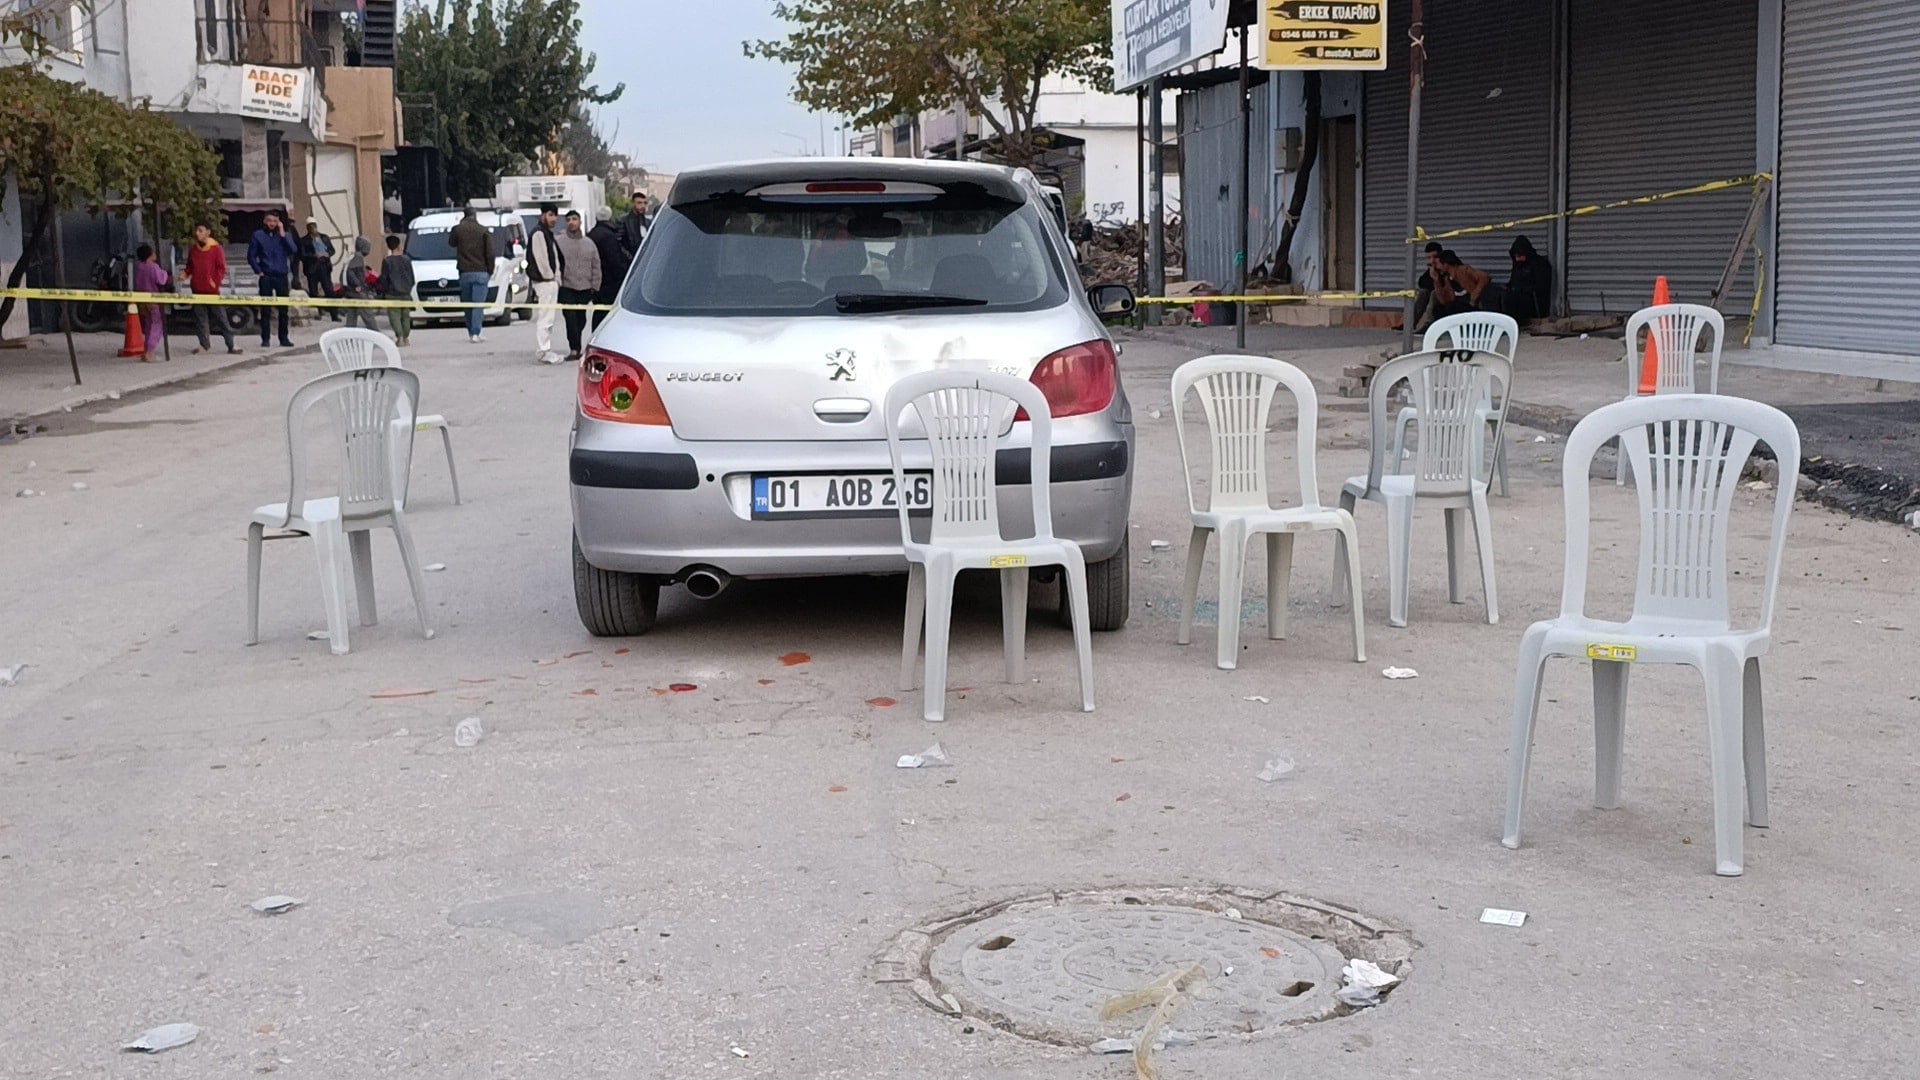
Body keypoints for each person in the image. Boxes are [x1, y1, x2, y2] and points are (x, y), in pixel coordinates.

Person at [184, 223, 241, 355]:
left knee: (222, 318)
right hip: (197, 289)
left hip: (212, 291)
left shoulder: (216, 249)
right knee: (200, 319)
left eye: (200, 230)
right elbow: (190, 267)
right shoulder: (193, 249)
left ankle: (231, 344)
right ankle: (204, 345)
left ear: (208, 232)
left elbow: (221, 268)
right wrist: (185, 274)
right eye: (196, 230)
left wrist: (215, 282)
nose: (197, 233)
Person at [555, 210, 603, 361]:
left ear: (580, 222)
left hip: (584, 287)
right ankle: (574, 349)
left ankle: (577, 343)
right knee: (570, 318)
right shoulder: (559, 242)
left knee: (580, 319)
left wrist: (595, 286)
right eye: (568, 219)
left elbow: (596, 265)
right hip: (566, 287)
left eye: (574, 219)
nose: (571, 222)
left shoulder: (589, 244)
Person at [247, 210, 299, 348]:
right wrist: (258, 270)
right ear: (265, 221)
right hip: (266, 276)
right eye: (269, 220)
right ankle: (265, 339)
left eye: (275, 221)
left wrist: (283, 234)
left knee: (283, 310)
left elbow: (293, 250)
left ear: (279, 222)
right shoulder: (257, 235)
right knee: (266, 309)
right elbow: (251, 256)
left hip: (281, 275)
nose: (272, 224)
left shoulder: (284, 235)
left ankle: (284, 338)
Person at [525, 202, 566, 364]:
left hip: (550, 281)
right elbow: (541, 259)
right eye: (550, 215)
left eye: (555, 215)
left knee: (548, 318)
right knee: (545, 318)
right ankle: (544, 350)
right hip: (545, 282)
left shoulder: (546, 233)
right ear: (543, 215)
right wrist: (550, 277)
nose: (554, 218)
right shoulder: (539, 234)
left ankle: (545, 348)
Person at [450, 206, 495, 343]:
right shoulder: (483, 230)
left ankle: (471, 331)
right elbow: (490, 253)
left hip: (465, 272)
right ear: (475, 215)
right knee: (478, 304)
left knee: (468, 304)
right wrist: (490, 270)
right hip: (481, 271)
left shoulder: (458, 229)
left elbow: (451, 243)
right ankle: (477, 332)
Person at [587, 204, 628, 330]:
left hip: (596, 281)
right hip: (610, 282)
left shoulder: (591, 235)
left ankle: (596, 333)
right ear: (610, 218)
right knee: (608, 313)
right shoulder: (609, 236)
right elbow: (614, 260)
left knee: (598, 312)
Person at [132, 243, 170, 363]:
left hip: (143, 299)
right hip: (153, 299)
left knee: (149, 325)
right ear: (150, 255)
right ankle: (150, 351)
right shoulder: (153, 267)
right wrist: (165, 273)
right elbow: (161, 280)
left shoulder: (140, 267)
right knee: (157, 324)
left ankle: (146, 350)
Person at [1502, 235, 1553, 322]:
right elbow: (1513, 281)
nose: (1517, 259)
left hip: (1533, 300)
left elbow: (1542, 287)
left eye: (1520, 256)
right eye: (1516, 256)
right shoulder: (1518, 265)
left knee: (1513, 299)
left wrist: (1521, 290)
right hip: (1517, 297)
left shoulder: (1540, 264)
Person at [299, 219, 341, 322]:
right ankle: (318, 312)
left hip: (324, 267)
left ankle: (334, 314)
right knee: (313, 292)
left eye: (314, 226)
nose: (313, 229)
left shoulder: (324, 238)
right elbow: (302, 255)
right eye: (310, 227)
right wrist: (314, 256)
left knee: (329, 291)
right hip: (312, 268)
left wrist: (327, 254)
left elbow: (332, 250)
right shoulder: (304, 241)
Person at [378, 234, 416, 347]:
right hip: (405, 293)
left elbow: (384, 279)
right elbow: (412, 277)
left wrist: (383, 290)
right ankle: (406, 337)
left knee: (394, 316)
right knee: (406, 316)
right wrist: (408, 287)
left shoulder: (387, 261)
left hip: (392, 294)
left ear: (388, 247)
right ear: (399, 245)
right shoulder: (407, 260)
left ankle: (399, 337)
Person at [340, 236, 382, 331]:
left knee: (352, 315)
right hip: (356, 292)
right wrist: (357, 284)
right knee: (368, 314)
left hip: (349, 290)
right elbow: (350, 271)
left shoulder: (352, 256)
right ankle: (376, 334)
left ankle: (349, 337)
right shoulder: (358, 257)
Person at [1412, 241, 1444, 328]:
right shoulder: (1433, 269)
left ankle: (1429, 324)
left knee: (1434, 293)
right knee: (1423, 292)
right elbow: (1422, 283)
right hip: (1440, 299)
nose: (1432, 261)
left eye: (1435, 257)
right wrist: (1432, 274)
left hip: (1452, 299)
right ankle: (1410, 323)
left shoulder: (1447, 266)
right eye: (1429, 258)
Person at [618, 190, 649, 259]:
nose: (643, 206)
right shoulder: (624, 220)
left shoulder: (647, 222)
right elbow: (618, 243)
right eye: (639, 203)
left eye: (645, 203)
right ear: (633, 203)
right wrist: (630, 257)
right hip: (630, 262)